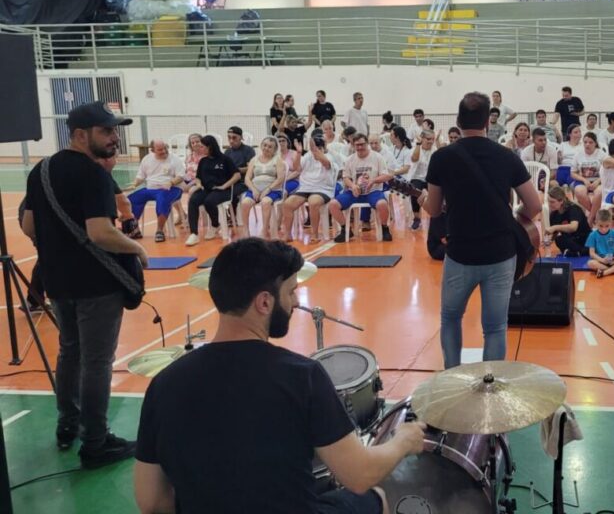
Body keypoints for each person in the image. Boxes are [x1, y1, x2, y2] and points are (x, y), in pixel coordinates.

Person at [134, 239, 425, 514]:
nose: (296, 302)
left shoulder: (164, 384)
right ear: (264, 303)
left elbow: (151, 501)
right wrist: (403, 441)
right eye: (290, 292)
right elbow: (359, 475)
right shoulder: (302, 376)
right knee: (374, 497)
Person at [22, 101, 148, 468]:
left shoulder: (40, 171)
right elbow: (100, 233)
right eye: (106, 131)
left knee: (70, 353)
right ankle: (96, 442)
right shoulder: (92, 175)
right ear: (80, 135)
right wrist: (136, 247)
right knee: (96, 362)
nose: (114, 138)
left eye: (114, 131)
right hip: (96, 284)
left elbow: (29, 228)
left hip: (57, 281)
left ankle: (68, 425)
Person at [420, 92, 541, 369]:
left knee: (451, 317)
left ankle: (451, 374)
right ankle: (492, 385)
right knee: (495, 326)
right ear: (488, 121)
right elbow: (534, 204)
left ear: (458, 120)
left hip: (461, 254)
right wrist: (517, 216)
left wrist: (422, 200)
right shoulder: (507, 156)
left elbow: (435, 209)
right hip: (500, 254)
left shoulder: (442, 158)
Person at [329, 133, 393, 243]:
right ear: (353, 146)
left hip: (373, 191)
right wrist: (352, 186)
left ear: (367, 144)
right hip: (354, 192)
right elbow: (345, 178)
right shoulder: (350, 159)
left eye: (362, 144)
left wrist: (373, 181)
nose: (360, 147)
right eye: (357, 145)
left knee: (382, 204)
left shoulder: (377, 157)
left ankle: (385, 228)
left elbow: (387, 175)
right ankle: (346, 230)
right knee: (333, 204)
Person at [279, 134, 338, 244]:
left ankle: (315, 235)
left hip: (323, 189)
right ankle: (287, 234)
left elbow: (325, 162)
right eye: (314, 148)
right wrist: (299, 153)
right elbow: (297, 168)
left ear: (324, 148)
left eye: (319, 148)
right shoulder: (308, 156)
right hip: (305, 188)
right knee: (287, 204)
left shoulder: (329, 157)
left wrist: (315, 150)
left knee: (313, 202)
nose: (316, 151)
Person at [185, 136, 241, 247]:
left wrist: (224, 186)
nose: (200, 148)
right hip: (206, 189)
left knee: (209, 201)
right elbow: (198, 177)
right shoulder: (203, 161)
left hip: (222, 190)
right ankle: (194, 234)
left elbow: (237, 175)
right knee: (193, 200)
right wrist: (199, 184)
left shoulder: (225, 159)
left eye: (202, 146)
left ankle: (215, 225)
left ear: (210, 147)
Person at [126, 140, 186, 243]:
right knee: (131, 198)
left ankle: (159, 230)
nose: (163, 151)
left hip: (172, 188)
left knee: (162, 198)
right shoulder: (147, 159)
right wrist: (135, 184)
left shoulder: (175, 159)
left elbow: (180, 176)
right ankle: (134, 229)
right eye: (160, 150)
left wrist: (171, 183)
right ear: (152, 150)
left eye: (165, 148)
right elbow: (141, 176)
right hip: (151, 188)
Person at [238, 137, 285, 239]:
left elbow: (280, 178)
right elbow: (247, 178)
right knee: (245, 203)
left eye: (270, 147)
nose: (266, 148)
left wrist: (268, 189)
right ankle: (246, 229)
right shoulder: (254, 160)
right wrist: (254, 189)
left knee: (265, 202)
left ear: (274, 149)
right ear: (261, 146)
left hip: (273, 190)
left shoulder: (278, 160)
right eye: (265, 145)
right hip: (255, 189)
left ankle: (264, 230)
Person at [570, 132, 606, 225]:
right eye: (585, 142)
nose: (587, 144)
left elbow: (608, 173)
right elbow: (573, 173)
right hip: (583, 180)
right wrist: (584, 180)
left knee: (599, 193)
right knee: (579, 192)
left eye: (590, 142)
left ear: (595, 143)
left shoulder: (602, 154)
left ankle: (590, 219)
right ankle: (595, 215)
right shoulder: (578, 155)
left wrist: (598, 181)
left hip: (599, 180)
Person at [586, 209, 614, 278]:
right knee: (590, 263)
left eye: (607, 226)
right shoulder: (592, 235)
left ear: (611, 223)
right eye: (601, 226)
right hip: (600, 260)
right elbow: (592, 254)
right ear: (596, 222)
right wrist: (603, 260)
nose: (604, 229)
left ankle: (605, 272)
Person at [546, 186, 590, 257]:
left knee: (569, 240)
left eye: (552, 202)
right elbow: (555, 233)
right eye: (548, 201)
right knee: (559, 239)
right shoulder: (553, 214)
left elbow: (573, 227)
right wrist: (549, 240)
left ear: (561, 201)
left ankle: (582, 251)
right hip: (572, 239)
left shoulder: (573, 209)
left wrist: (555, 227)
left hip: (583, 238)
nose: (549, 204)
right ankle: (575, 252)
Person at [409, 128, 437, 231]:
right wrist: (418, 144)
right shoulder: (415, 148)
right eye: (428, 139)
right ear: (422, 139)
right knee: (415, 190)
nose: (430, 141)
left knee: (438, 192)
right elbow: (414, 159)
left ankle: (436, 217)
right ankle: (417, 218)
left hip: (431, 178)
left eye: (432, 139)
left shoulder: (434, 149)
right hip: (417, 177)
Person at [224, 126, 256, 206]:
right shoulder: (227, 152)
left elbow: (251, 168)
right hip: (230, 181)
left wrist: (236, 170)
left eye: (234, 138)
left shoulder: (248, 150)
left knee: (230, 193)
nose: (231, 141)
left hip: (243, 182)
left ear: (241, 138)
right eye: (229, 138)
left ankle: (233, 216)